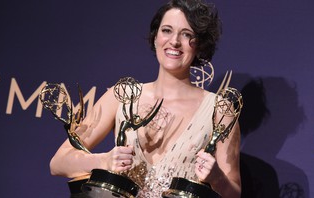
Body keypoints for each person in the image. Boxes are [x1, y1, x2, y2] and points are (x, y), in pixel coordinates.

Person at [49, 0, 241, 197]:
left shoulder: (220, 111)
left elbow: (234, 193)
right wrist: (103, 161)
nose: (174, 41)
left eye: (187, 34)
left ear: (199, 44)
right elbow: (59, 162)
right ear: (155, 36)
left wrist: (216, 177)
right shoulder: (122, 95)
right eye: (167, 30)